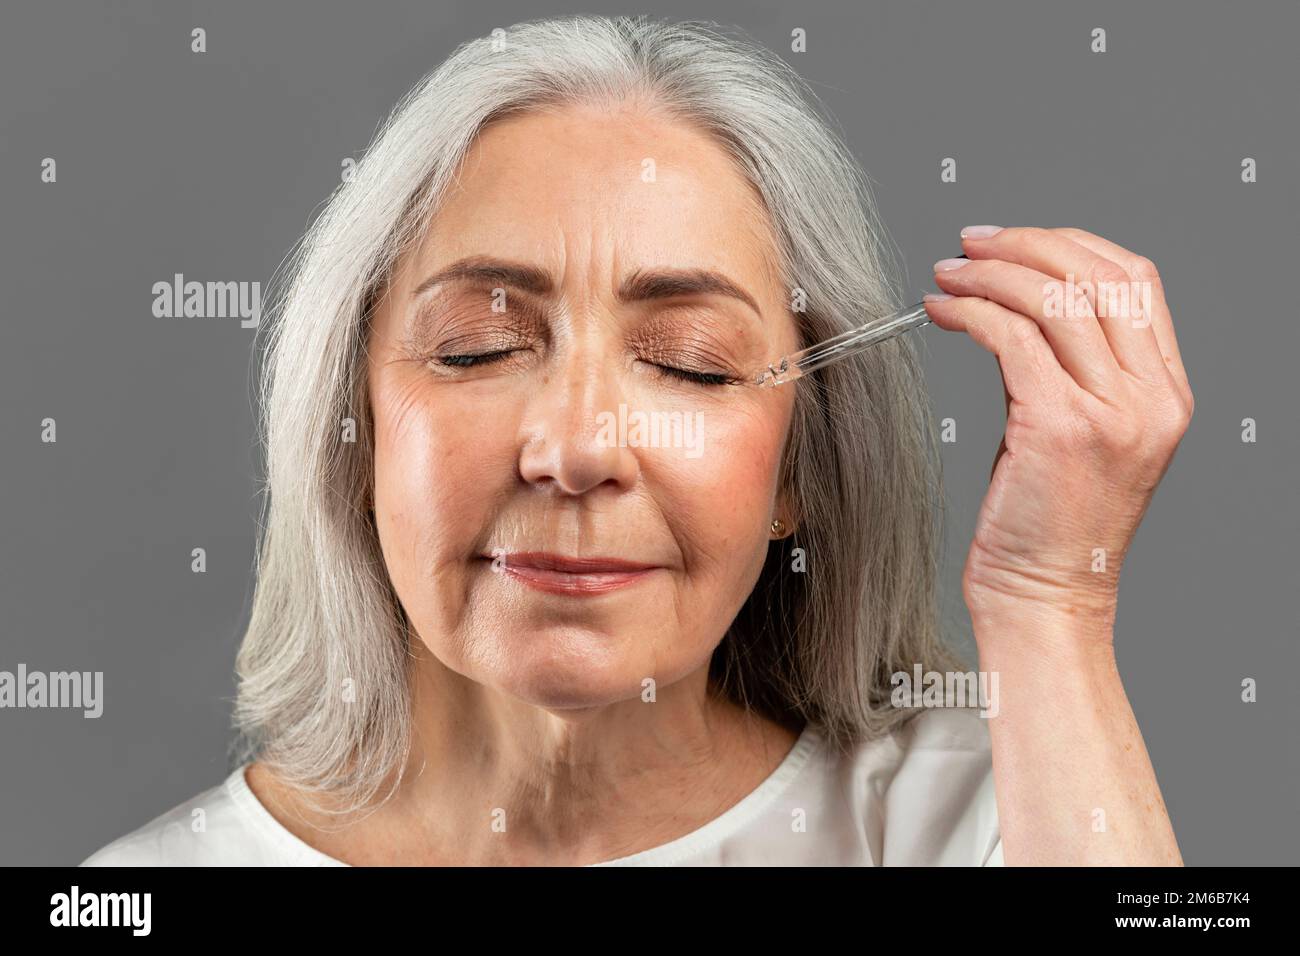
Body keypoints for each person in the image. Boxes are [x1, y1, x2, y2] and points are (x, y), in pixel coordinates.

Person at [82, 14, 1189, 867]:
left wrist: (1051, 602)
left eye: (691, 363)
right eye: (474, 347)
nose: (576, 447)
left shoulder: (994, 821)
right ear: (355, 428)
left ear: (794, 471)